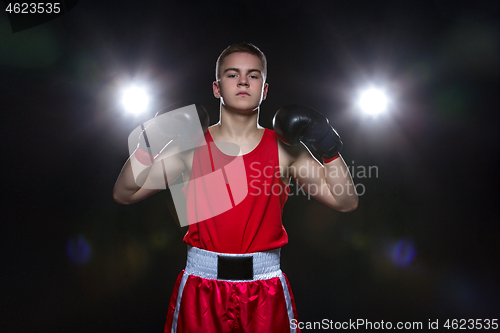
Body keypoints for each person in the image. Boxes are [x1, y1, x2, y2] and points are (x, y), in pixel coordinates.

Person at [113, 43, 358, 333]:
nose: (243, 81)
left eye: (253, 76)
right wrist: (150, 139)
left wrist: (328, 146)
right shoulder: (190, 146)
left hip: (265, 289)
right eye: (233, 74)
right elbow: (125, 192)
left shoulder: (285, 150)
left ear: (264, 90)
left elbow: (346, 201)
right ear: (217, 88)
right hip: (201, 288)